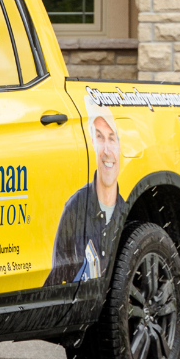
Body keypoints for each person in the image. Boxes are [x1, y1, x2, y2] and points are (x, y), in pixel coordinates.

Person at [44, 103, 125, 287]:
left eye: (112, 138)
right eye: (99, 137)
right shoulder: (75, 207)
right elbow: (59, 277)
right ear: (92, 145)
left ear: (120, 147)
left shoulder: (128, 211)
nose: (107, 150)